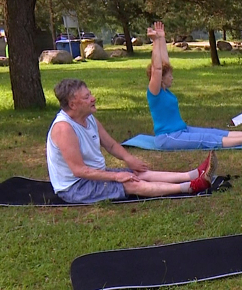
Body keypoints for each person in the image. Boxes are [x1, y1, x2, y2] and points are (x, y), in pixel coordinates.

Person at [47, 79, 216, 204]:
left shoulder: (89, 118)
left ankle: (193, 174)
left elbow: (111, 145)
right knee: (131, 184)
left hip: (94, 175)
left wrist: (129, 159)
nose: (93, 98)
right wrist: (116, 176)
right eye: (86, 97)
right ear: (73, 104)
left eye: (90, 94)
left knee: (138, 174)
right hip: (76, 187)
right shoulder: (64, 129)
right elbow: (79, 171)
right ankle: (191, 186)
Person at [146, 21, 242, 150]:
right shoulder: (154, 92)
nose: (172, 78)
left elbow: (164, 64)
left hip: (183, 130)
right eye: (169, 76)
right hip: (168, 137)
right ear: (160, 79)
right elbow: (157, 69)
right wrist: (155, 42)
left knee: (213, 132)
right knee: (206, 139)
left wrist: (161, 39)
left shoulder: (165, 90)